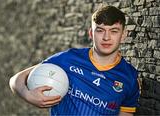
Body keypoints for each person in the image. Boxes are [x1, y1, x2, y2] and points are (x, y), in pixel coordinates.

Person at [9, 5, 140, 116]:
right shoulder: (68, 59)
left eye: (114, 31)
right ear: (91, 34)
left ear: (123, 35)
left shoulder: (129, 77)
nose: (106, 37)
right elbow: (16, 79)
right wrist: (28, 95)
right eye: (100, 30)